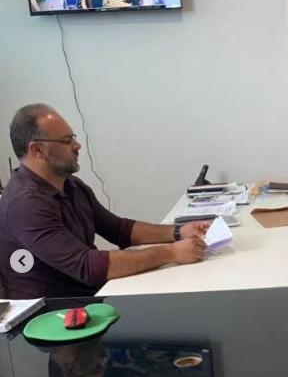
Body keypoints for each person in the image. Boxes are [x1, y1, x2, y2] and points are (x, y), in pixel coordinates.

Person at [0, 104, 208, 299]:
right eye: (67, 140)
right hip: (53, 313)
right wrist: (171, 252)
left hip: (90, 296)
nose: (77, 145)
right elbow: (87, 267)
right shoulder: (25, 204)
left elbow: (118, 229)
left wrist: (178, 232)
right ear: (37, 150)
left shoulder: (71, 185)